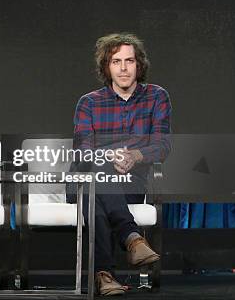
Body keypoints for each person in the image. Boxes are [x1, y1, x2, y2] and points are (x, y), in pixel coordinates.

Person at [70, 33, 171, 296]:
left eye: (129, 61)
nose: (123, 68)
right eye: (116, 61)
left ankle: (104, 276)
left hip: (129, 182)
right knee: (97, 174)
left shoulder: (156, 97)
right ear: (107, 66)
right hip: (83, 180)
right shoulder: (89, 102)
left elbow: (162, 146)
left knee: (98, 198)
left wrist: (135, 156)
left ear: (139, 65)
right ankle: (132, 238)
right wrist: (112, 155)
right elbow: (83, 152)